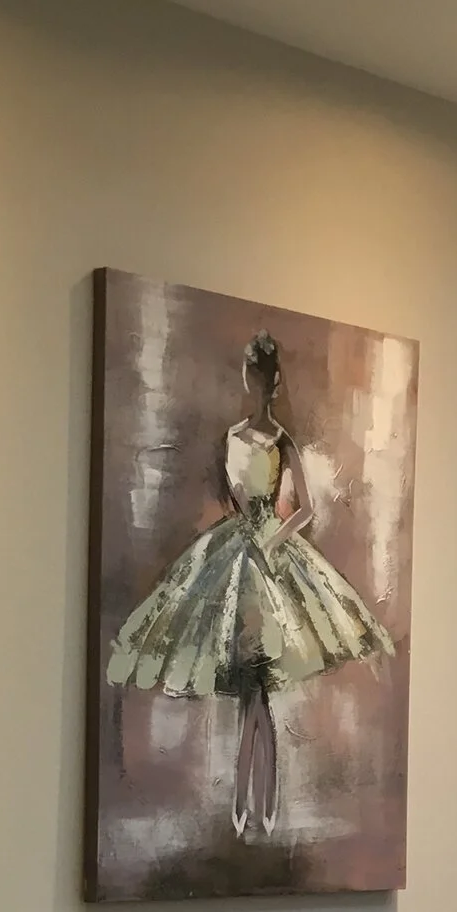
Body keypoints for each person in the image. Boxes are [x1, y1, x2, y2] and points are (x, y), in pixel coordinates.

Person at [106, 331, 395, 837]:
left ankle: (255, 804)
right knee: (250, 688)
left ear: (272, 382)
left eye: (265, 379)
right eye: (254, 377)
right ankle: (255, 804)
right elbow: (233, 496)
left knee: (257, 685)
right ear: (249, 379)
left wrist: (274, 538)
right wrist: (249, 536)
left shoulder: (282, 442)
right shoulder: (232, 439)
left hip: (272, 556)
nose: (258, 385)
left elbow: (305, 508)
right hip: (235, 556)